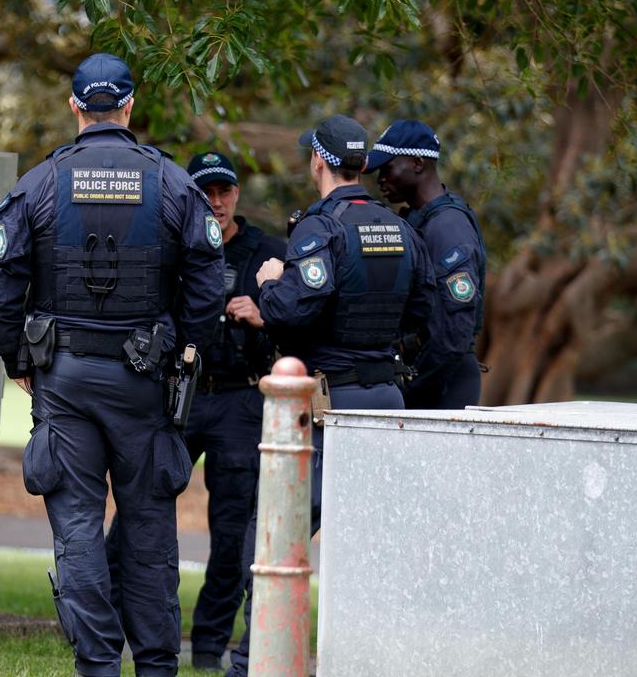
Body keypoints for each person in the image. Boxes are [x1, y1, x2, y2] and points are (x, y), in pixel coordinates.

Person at [0, 52, 224, 677]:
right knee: (148, 531)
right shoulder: (173, 184)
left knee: (79, 527)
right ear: (130, 105)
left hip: (63, 382)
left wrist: (18, 359)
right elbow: (206, 285)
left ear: (74, 107)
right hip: (145, 384)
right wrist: (185, 349)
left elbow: (1, 293)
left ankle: (96, 664)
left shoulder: (38, 185)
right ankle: (155, 666)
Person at [223, 115, 435, 677]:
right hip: (387, 402)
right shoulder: (402, 230)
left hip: (328, 409)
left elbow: (293, 308)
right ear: (363, 165)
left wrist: (269, 280)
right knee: (376, 542)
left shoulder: (322, 229)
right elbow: (426, 314)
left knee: (275, 531)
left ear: (318, 161)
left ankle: (254, 660)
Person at [181, 151, 285, 672]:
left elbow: (301, 316)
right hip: (181, 396)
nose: (216, 202)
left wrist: (263, 313)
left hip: (241, 401)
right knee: (140, 505)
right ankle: (97, 619)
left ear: (237, 193)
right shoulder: (177, 242)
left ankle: (206, 647)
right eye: (206, 193)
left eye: (224, 191)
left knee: (230, 534)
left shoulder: (268, 250)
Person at [364, 119, 486, 408]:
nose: (381, 178)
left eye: (388, 168)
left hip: (444, 382)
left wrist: (417, 390)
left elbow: (454, 332)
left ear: (417, 162)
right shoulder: (420, 221)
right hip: (424, 372)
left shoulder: (448, 227)